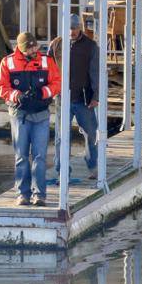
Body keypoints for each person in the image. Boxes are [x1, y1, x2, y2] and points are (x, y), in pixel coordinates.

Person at [0, 32, 61, 207]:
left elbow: (57, 82)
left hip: (41, 115)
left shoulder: (47, 61)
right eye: (30, 48)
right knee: (21, 156)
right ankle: (22, 194)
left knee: (40, 156)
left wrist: (42, 92)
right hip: (20, 116)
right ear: (22, 49)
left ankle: (40, 195)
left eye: (35, 46)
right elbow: (1, 87)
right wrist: (17, 96)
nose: (34, 50)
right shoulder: (7, 62)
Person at [49, 13, 101, 180]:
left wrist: (96, 95)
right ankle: (62, 171)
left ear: (81, 28)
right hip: (62, 98)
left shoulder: (91, 46)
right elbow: (49, 70)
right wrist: (49, 91)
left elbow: (95, 73)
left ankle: (93, 166)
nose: (72, 31)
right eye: (70, 28)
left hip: (83, 97)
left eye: (75, 28)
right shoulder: (56, 44)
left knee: (91, 134)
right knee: (60, 136)